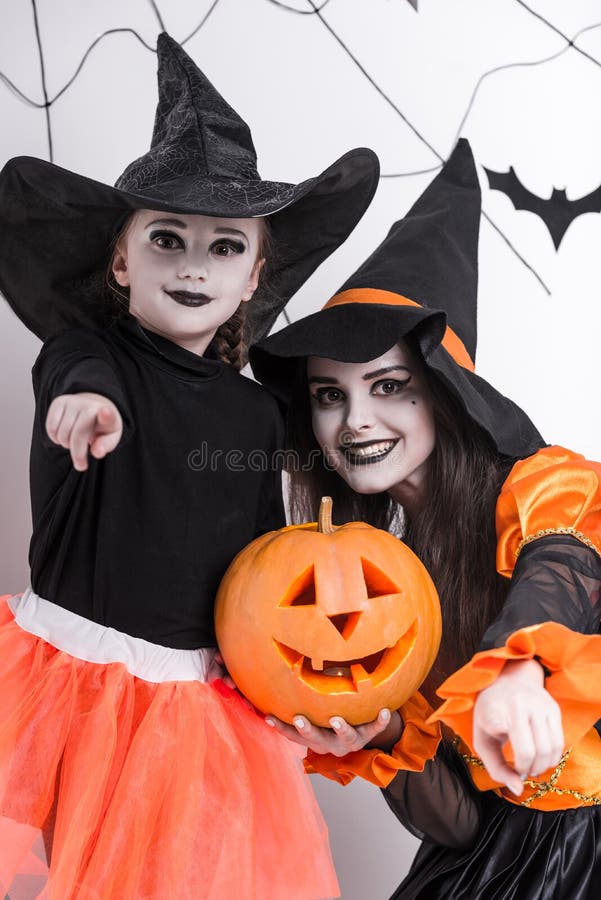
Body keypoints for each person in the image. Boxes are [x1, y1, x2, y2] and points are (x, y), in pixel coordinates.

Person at [0, 32, 381, 899]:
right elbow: (75, 378)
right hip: (67, 682)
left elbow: (257, 567)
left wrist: (287, 674)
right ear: (122, 260)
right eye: (167, 239)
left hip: (189, 707)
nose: (193, 265)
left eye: (224, 247)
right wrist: (84, 409)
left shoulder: (253, 414)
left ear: (253, 277)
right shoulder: (88, 356)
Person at [250, 139, 601, 899]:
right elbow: (463, 827)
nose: (354, 420)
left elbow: (562, 564)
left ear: (442, 392)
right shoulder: (382, 589)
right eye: (328, 394)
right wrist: (382, 734)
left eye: (388, 386)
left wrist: (518, 669)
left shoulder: (545, 489)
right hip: (493, 869)